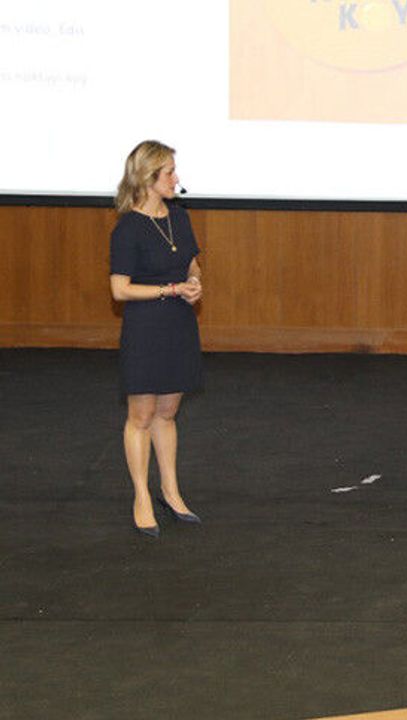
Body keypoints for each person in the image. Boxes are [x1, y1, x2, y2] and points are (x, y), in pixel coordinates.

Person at [109, 140, 205, 538]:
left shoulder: (179, 216)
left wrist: (194, 282)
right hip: (145, 329)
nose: (176, 178)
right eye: (169, 172)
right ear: (149, 178)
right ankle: (141, 496)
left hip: (179, 325)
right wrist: (170, 289)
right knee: (142, 416)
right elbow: (119, 289)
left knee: (167, 413)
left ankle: (170, 491)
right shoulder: (128, 228)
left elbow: (191, 263)